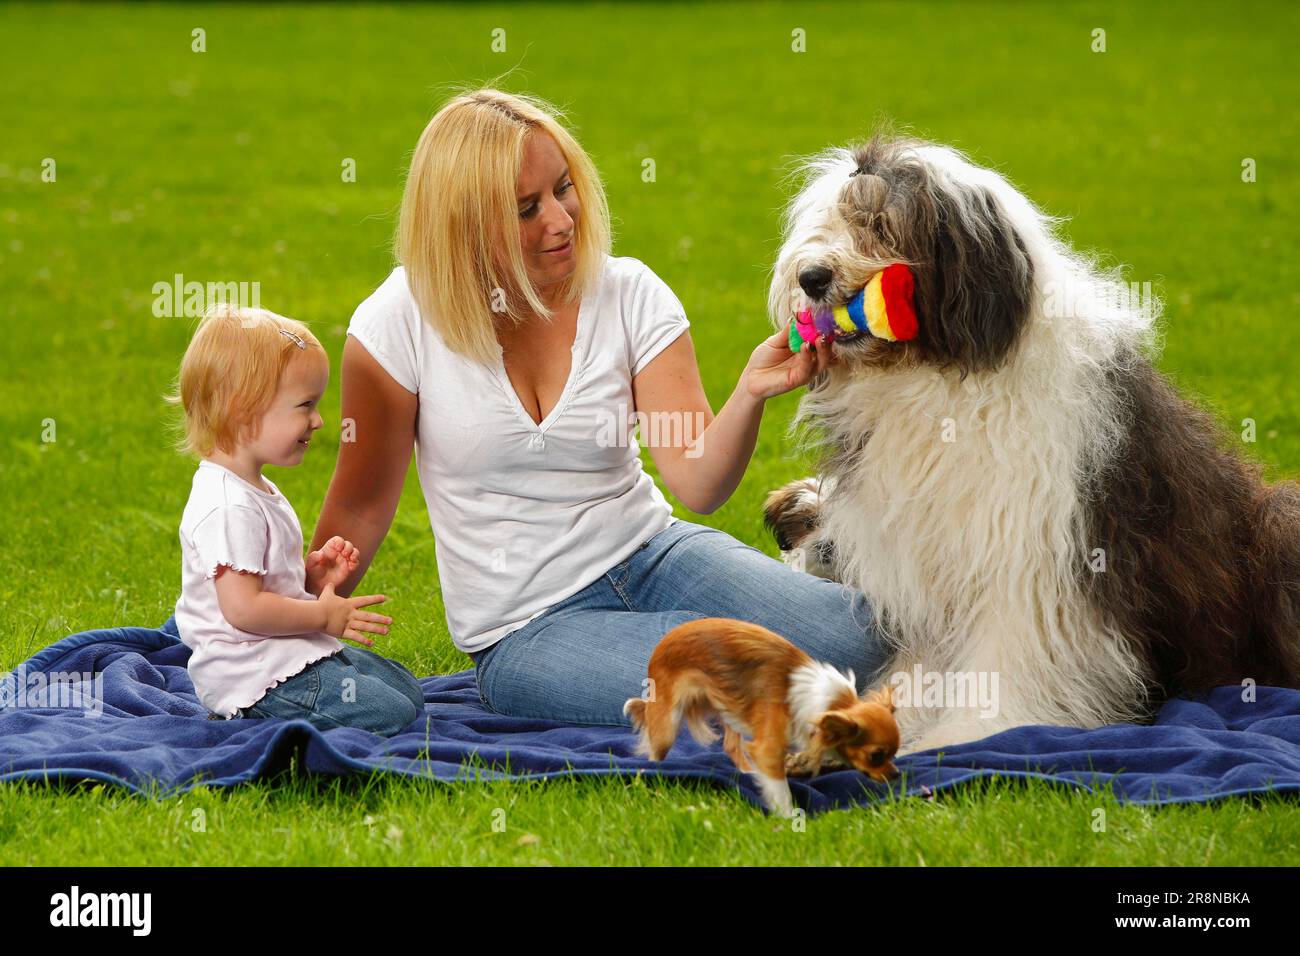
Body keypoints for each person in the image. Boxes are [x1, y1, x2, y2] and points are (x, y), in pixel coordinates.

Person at [313, 88, 890, 726]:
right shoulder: (397, 323)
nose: (561, 220)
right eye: (526, 209)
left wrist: (749, 393)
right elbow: (361, 505)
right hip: (528, 630)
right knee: (739, 688)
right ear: (464, 227)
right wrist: (294, 627)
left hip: (653, 554)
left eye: (563, 188)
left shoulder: (630, 293)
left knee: (866, 642)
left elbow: (698, 481)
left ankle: (776, 594)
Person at [166, 305, 425, 736]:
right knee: (390, 712)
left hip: (282, 652)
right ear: (242, 409)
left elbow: (264, 589)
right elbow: (244, 608)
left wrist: (309, 577)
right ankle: (250, 718)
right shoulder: (229, 505)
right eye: (306, 405)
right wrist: (322, 617)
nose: (320, 421)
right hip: (253, 676)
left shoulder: (255, 487)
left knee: (407, 692)